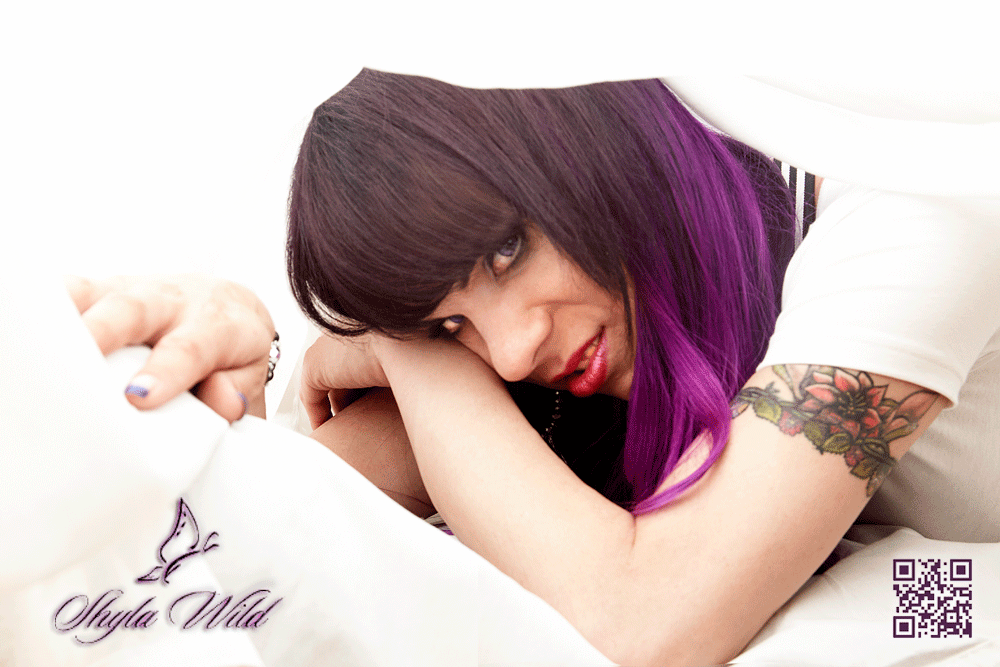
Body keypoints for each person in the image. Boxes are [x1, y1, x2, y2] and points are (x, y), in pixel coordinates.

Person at [68, 70, 1000, 667]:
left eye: (507, 251)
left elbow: (644, 623)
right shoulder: (578, 352)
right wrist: (225, 357)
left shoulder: (908, 210)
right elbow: (229, 538)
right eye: (451, 322)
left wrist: (409, 352)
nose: (512, 351)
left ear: (593, 142)